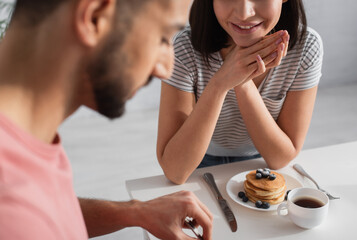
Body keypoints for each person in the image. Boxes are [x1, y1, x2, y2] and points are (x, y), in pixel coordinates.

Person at [0, 0, 213, 239]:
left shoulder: (20, 147)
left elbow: (42, 207)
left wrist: (135, 212)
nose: (165, 68)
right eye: (163, 38)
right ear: (94, 17)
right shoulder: (11, 214)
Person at [157, 0, 323, 184]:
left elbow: (280, 158)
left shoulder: (305, 46)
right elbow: (175, 171)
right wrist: (220, 84)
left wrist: (242, 81)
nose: (244, 13)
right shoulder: (184, 48)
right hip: (198, 160)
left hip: (261, 160)